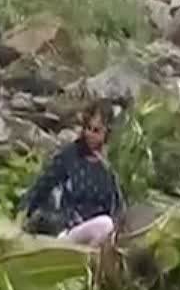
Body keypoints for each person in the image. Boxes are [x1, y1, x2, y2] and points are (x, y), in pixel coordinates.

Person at [20, 99, 124, 247]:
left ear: (106, 133)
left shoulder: (108, 167)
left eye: (96, 131)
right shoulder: (70, 156)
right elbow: (43, 184)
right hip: (70, 230)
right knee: (105, 225)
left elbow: (118, 206)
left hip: (100, 237)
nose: (90, 134)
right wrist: (23, 213)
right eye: (88, 128)